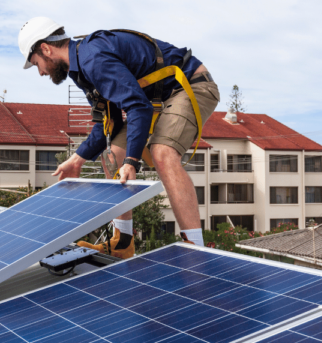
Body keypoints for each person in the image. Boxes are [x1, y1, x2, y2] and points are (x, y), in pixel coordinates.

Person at [18, 17, 220, 257]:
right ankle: (122, 243)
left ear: (45, 48)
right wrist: (77, 160)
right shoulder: (80, 69)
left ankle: (195, 250)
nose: (40, 72)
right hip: (154, 99)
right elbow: (109, 123)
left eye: (36, 63)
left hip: (190, 85)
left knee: (162, 153)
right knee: (113, 155)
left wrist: (131, 162)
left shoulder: (93, 58)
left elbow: (138, 107)